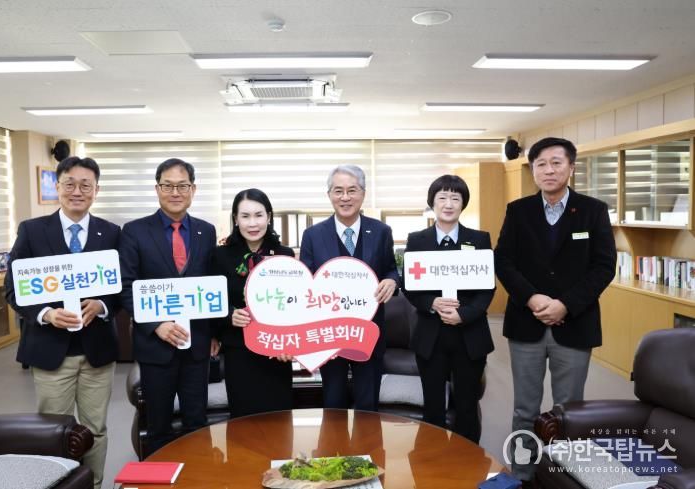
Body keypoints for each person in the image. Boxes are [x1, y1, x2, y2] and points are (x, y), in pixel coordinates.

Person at [494, 137, 616, 482]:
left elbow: (604, 266)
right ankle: (523, 473)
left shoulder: (593, 210)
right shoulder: (518, 210)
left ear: (571, 167)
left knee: (569, 412)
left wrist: (565, 304)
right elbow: (504, 261)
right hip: (526, 322)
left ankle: (564, 477)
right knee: (524, 409)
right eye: (541, 164)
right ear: (533, 170)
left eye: (556, 163)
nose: (549, 170)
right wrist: (531, 298)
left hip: (574, 324)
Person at [5, 156, 120, 489]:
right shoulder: (31, 230)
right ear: (57, 187)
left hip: (97, 352)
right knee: (53, 432)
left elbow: (122, 287)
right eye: (69, 183)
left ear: (96, 190)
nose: (77, 191)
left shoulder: (112, 233)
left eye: (86, 185)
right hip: (50, 351)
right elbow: (13, 288)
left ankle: (93, 484)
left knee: (95, 429)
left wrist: (102, 305)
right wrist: (46, 313)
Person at [119, 158, 218, 455]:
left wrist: (214, 333)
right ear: (157, 189)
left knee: (197, 425)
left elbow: (211, 285)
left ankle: (197, 477)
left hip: (196, 345)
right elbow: (126, 286)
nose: (175, 192)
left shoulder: (206, 231)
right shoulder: (134, 231)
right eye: (168, 185)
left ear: (193, 189)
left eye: (182, 186)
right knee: (158, 427)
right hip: (155, 347)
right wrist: (156, 325)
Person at [402, 174, 494, 443]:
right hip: (430, 336)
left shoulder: (478, 239)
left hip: (470, 335)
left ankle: (467, 463)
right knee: (433, 407)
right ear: (432, 203)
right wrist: (431, 303)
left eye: (455, 198)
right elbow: (409, 285)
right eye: (442, 197)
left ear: (463, 203)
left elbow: (487, 288)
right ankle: (432, 462)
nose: (448, 204)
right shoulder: (417, 240)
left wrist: (464, 314)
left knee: (467, 407)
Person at [300, 164, 399, 411]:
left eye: (352, 190)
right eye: (338, 191)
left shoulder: (381, 231)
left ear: (363, 193)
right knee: (333, 403)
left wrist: (392, 280)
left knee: (368, 405)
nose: (345, 197)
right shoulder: (312, 235)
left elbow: (390, 269)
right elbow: (305, 283)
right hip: (329, 334)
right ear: (329, 195)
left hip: (369, 332)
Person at [210, 188, 295, 418]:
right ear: (235, 219)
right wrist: (229, 315)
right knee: (243, 421)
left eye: (259, 215)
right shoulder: (220, 255)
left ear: (269, 216)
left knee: (279, 420)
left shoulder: (285, 254)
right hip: (239, 350)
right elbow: (211, 300)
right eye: (245, 216)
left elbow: (295, 304)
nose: (253, 223)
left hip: (276, 351)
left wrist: (291, 343)